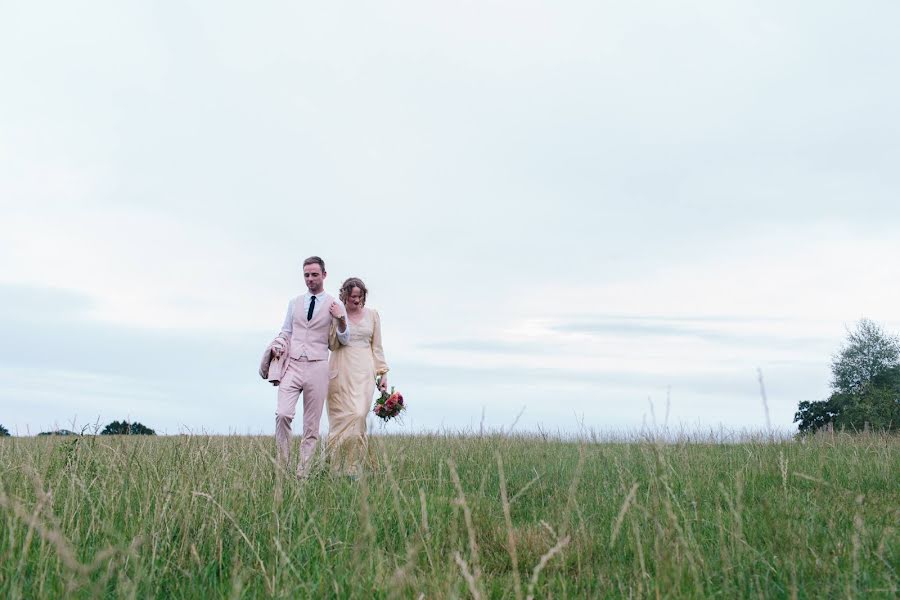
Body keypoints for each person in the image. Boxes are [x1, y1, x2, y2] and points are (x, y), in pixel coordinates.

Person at [269, 256, 349, 478]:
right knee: (283, 414)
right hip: (292, 365)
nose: (310, 279)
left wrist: (341, 319)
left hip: (318, 366)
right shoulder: (294, 303)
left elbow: (343, 339)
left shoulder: (335, 303)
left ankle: (302, 473)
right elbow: (286, 331)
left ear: (324, 275)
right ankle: (282, 467)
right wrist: (278, 345)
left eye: (315, 274)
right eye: (306, 275)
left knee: (311, 426)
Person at [326, 277, 389, 477]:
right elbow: (332, 344)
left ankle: (354, 466)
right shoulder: (336, 312)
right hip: (340, 368)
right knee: (341, 419)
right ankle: (336, 468)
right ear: (344, 295)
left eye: (359, 296)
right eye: (352, 296)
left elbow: (377, 346)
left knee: (359, 414)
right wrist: (339, 318)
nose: (356, 300)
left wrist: (382, 373)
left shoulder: (373, 316)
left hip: (364, 371)